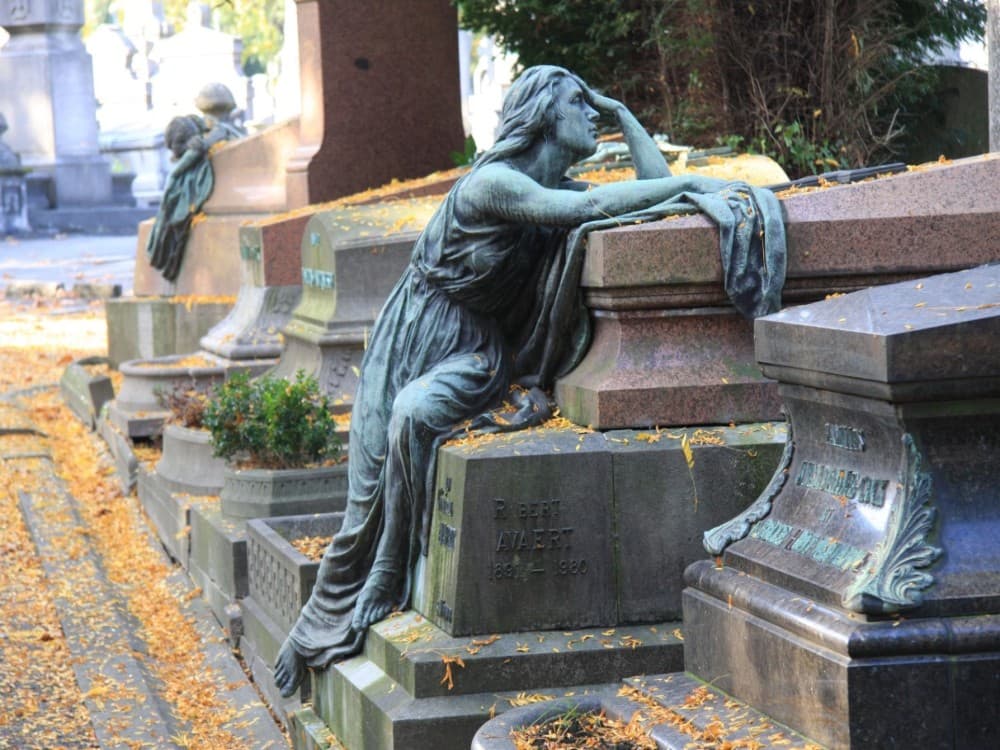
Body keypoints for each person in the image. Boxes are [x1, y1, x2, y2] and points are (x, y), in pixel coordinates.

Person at [274, 65, 784, 697]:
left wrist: (624, 114)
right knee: (365, 492)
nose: (588, 112)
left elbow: (654, 197)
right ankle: (319, 625)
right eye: (579, 102)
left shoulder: (559, 181)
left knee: (416, 414)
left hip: (476, 350)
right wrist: (693, 180)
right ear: (543, 115)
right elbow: (587, 208)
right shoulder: (493, 183)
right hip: (415, 334)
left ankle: (386, 574)